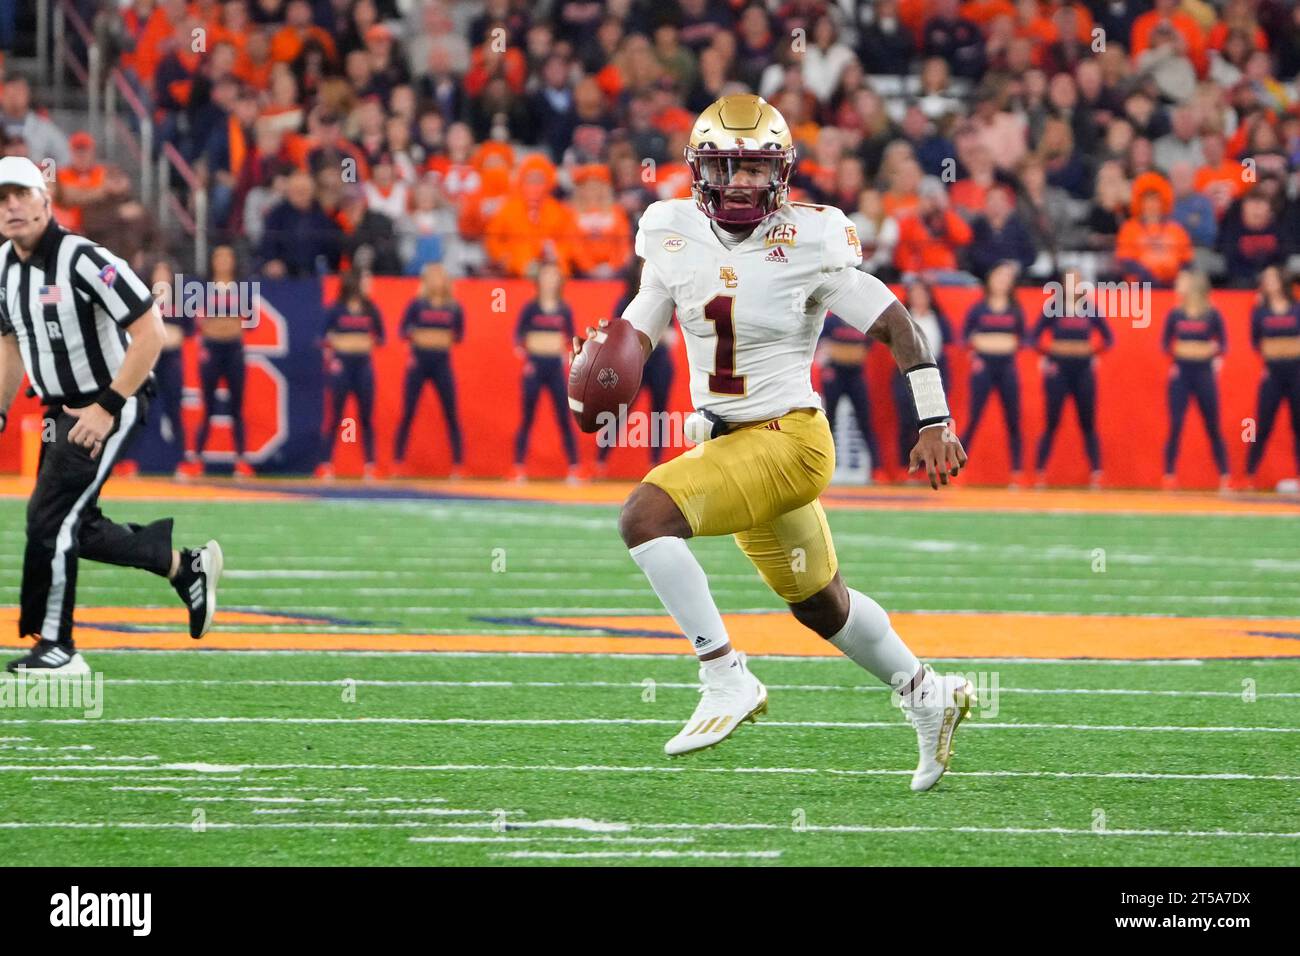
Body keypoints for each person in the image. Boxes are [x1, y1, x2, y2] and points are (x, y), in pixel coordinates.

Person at [583, 95, 973, 792]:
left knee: (645, 517)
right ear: (700, 169)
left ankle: (724, 675)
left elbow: (895, 325)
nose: (740, 182)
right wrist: (608, 364)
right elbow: (644, 318)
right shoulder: (668, 228)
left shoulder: (812, 239)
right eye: (726, 166)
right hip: (733, 443)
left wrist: (934, 418)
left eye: (756, 168)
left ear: (782, 173)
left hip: (790, 440)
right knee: (822, 605)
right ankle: (928, 694)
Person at [0, 156, 221, 673]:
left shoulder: (82, 258)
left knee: (50, 521)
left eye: (21, 194)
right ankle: (181, 566)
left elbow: (152, 333)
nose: (11, 206)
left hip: (108, 400)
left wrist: (107, 407)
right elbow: (10, 342)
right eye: (1, 198)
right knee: (74, 522)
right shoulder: (4, 267)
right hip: (61, 409)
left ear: (46, 200)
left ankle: (58, 646)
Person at [1031, 270, 1114, 488]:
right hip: (1058, 370)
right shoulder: (1053, 307)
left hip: (1083, 370)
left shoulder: (1089, 307)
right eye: (1069, 281)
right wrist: (1050, 350)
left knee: (1087, 423)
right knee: (1052, 421)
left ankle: (1096, 473)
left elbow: (1109, 337)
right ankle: (1039, 473)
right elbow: (1032, 337)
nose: (1073, 285)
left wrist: (1092, 349)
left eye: (1077, 280)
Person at [595, 258, 675, 474]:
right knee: (620, 411)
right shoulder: (625, 302)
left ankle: (655, 463)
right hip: (633, 364)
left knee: (659, 413)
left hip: (658, 362)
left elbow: (672, 336)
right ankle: (600, 461)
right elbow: (614, 333)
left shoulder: (664, 300)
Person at [181, 245, 254, 478]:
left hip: (234, 349)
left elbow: (252, 321)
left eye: (227, 256)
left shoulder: (241, 290)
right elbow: (194, 323)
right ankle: (198, 459)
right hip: (211, 349)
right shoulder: (203, 290)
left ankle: (241, 460)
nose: (223, 261)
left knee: (237, 407)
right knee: (208, 406)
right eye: (218, 256)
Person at [393, 263, 464, 476]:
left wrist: (437, 337)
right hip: (419, 362)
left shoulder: (453, 307)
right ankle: (397, 462)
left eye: (440, 277)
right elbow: (402, 330)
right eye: (432, 277)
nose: (436, 281)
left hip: (442, 362)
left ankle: (457, 465)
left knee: (451, 412)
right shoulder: (417, 305)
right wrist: (420, 336)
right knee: (408, 411)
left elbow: (459, 334)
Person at [1162, 269, 1230, 491]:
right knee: (1176, 424)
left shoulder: (1212, 314)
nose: (1177, 285)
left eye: (1182, 282)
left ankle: (1224, 474)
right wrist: (1179, 351)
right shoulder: (1176, 314)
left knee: (1212, 425)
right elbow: (1164, 344)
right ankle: (1169, 474)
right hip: (1182, 373)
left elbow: (1224, 344)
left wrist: (1212, 351)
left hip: (1203, 374)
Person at [960, 260, 1027, 485]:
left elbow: (1025, 338)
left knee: (1013, 420)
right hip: (984, 367)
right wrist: (976, 349)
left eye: (1006, 278)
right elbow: (964, 336)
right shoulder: (979, 308)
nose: (1001, 282)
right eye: (998, 277)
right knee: (974, 417)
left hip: (1007, 366)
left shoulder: (1015, 309)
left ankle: (1016, 471)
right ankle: (957, 467)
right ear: (989, 280)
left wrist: (1003, 343)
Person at [514, 262, 579, 482]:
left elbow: (571, 338)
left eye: (553, 276)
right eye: (546, 276)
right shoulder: (530, 309)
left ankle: (573, 467)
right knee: (527, 416)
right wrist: (527, 356)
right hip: (535, 366)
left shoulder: (564, 309)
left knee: (564, 416)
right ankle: (519, 466)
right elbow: (517, 338)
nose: (550, 280)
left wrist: (565, 356)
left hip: (554, 367)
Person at [317, 270, 385, 480]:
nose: (370, 285)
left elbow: (381, 337)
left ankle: (370, 465)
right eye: (366, 281)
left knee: (366, 416)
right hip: (342, 364)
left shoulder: (371, 309)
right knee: (335, 415)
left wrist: (364, 342)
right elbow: (321, 337)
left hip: (363, 364)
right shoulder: (336, 309)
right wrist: (336, 347)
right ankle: (326, 463)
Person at [1245, 265, 1300, 488]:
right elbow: (1256, 341)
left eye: (1272, 278)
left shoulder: (1296, 308)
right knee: (1263, 424)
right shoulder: (1259, 311)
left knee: (1298, 425)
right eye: (1265, 279)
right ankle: (1248, 475)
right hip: (1273, 372)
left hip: (1296, 371)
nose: (1269, 282)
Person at [891, 279, 952, 471]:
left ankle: (931, 466)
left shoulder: (938, 319)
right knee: (906, 421)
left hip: (932, 376)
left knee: (932, 423)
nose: (918, 298)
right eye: (914, 294)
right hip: (907, 373)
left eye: (922, 294)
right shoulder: (904, 318)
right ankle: (905, 466)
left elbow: (948, 345)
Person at [818, 311, 886, 481]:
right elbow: (822, 345)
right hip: (835, 373)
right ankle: (821, 468)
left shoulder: (862, 319)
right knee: (828, 422)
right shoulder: (832, 321)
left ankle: (877, 470)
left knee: (865, 421)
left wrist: (842, 351)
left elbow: (865, 348)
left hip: (855, 375)